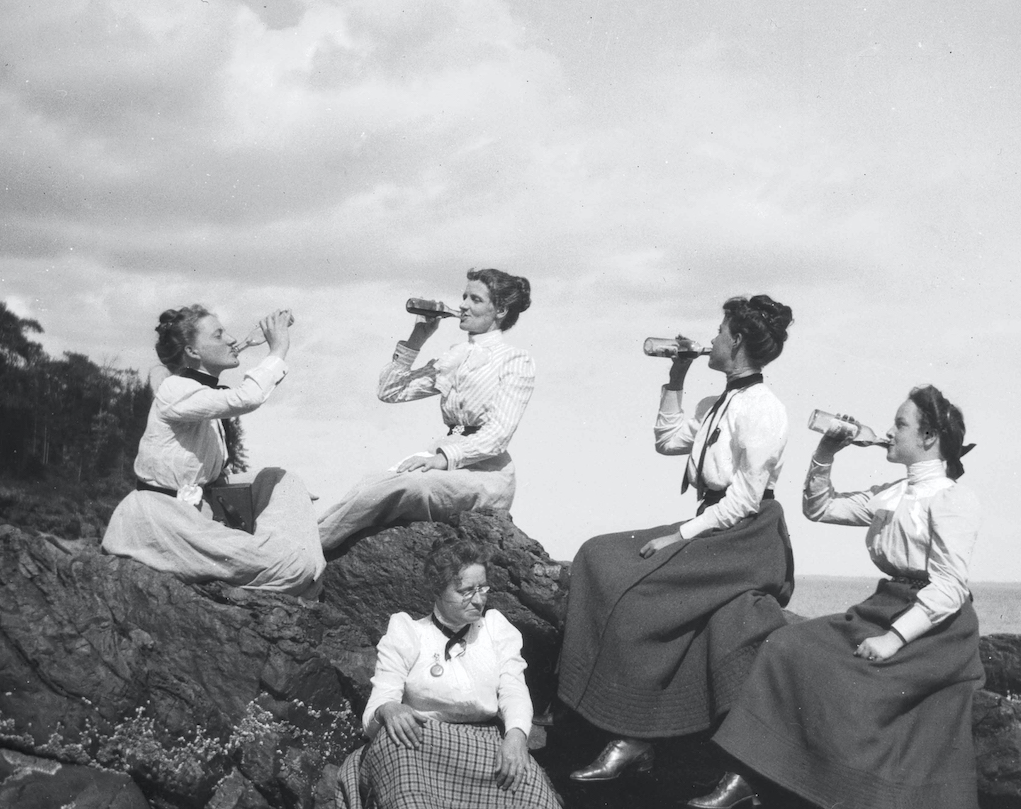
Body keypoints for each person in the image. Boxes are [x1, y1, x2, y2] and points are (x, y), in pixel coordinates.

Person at [697, 385, 982, 809]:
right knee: (788, 645)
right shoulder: (891, 493)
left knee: (862, 691)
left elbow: (951, 588)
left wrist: (894, 639)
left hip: (933, 627)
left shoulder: (953, 499)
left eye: (900, 425)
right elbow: (819, 507)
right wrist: (828, 451)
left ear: (931, 438)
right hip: (884, 605)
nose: (889, 432)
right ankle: (750, 772)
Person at [557, 294, 796, 782]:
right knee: (596, 554)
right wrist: (678, 375)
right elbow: (667, 441)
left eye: (720, 331)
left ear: (739, 342)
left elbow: (747, 500)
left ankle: (633, 734)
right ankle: (578, 702)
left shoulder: (764, 409)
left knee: (644, 591)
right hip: (714, 525)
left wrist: (678, 537)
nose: (712, 338)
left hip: (748, 536)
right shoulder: (718, 402)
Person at [314, 539, 595, 809]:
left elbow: (514, 688)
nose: (478, 599)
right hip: (422, 740)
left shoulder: (496, 628)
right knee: (398, 745)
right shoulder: (407, 631)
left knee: (526, 776)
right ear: (438, 590)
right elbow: (375, 709)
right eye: (466, 591)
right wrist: (389, 709)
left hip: (482, 738)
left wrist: (515, 737)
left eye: (483, 588)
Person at [102, 306, 324, 597]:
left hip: (199, 510)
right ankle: (295, 554)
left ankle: (291, 547)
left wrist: (247, 342)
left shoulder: (201, 392)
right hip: (162, 520)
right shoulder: (175, 390)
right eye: (219, 334)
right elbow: (248, 396)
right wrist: (278, 347)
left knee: (280, 479)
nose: (231, 339)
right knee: (295, 565)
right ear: (193, 351)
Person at [318, 268, 534, 552]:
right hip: (445, 460)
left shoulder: (516, 360)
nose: (464, 305)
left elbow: (499, 435)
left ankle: (307, 551)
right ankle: (306, 544)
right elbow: (390, 391)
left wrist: (444, 459)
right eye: (464, 297)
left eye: (476, 300)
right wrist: (418, 337)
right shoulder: (455, 356)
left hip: (486, 476)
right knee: (373, 482)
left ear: (501, 310)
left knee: (406, 486)